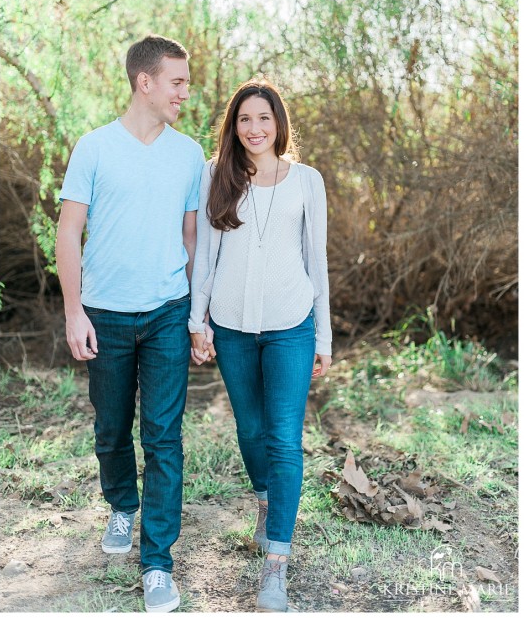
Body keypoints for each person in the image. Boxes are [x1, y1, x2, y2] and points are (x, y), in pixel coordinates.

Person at [55, 35, 205, 613]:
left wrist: (196, 316)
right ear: (145, 82)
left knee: (165, 437)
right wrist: (75, 311)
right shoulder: (93, 149)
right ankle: (122, 504)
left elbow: (193, 237)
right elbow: (70, 231)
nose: (185, 94)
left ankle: (158, 564)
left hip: (168, 311)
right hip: (107, 315)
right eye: (177, 82)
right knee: (112, 428)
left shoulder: (189, 153)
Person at [188, 79, 332, 612]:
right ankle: (266, 502)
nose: (254, 129)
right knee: (250, 430)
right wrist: (195, 321)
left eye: (263, 119)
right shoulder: (216, 176)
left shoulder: (307, 181)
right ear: (234, 125)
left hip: (292, 323)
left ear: (279, 124)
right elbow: (205, 255)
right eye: (244, 119)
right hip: (230, 325)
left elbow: (316, 262)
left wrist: (325, 335)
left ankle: (277, 562)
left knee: (284, 440)